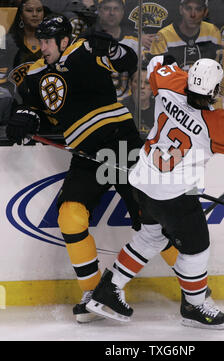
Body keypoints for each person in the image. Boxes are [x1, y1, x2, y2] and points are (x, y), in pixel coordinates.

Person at [85, 55, 224, 329]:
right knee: (197, 247)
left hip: (143, 181)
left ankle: (108, 290)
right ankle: (195, 306)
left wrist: (169, 60)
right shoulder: (215, 122)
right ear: (215, 90)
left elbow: (156, 63)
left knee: (150, 237)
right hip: (175, 194)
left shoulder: (170, 81)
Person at [5, 13, 181, 324]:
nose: (42, 46)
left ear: (63, 41)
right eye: (40, 41)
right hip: (87, 155)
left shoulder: (85, 49)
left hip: (123, 145)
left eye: (48, 41)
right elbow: (30, 108)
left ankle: (195, 293)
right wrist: (22, 116)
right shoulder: (32, 75)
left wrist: (112, 50)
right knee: (70, 216)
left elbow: (128, 62)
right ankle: (94, 295)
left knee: (153, 221)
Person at [150, 0, 222, 71]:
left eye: (198, 9)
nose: (193, 15)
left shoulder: (212, 31)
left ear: (205, 12)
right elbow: (155, 73)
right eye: (188, 8)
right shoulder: (163, 35)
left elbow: (216, 69)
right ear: (181, 9)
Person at [122, 66, 155, 139]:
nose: (142, 86)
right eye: (138, 82)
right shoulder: (121, 109)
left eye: (147, 83)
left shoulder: (159, 110)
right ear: (130, 84)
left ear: (153, 87)